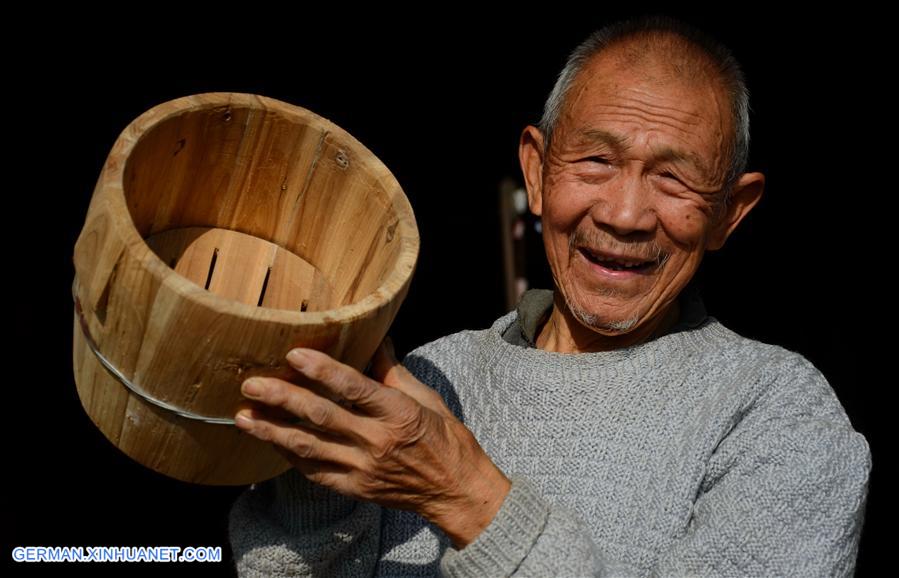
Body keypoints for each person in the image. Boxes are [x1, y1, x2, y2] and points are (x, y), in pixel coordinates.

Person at [227, 15, 871, 577]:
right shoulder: (430, 378)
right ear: (536, 173)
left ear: (731, 211)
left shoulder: (777, 413)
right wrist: (311, 475)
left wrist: (465, 495)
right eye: (596, 161)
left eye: (674, 178)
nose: (625, 214)